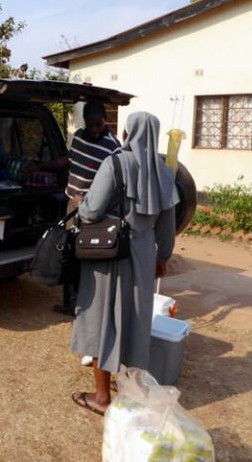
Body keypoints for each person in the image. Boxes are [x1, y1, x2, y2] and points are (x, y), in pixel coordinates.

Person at [70, 111, 179, 416]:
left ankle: (103, 398)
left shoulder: (115, 162)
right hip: (143, 255)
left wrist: (81, 203)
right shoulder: (164, 172)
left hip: (109, 253)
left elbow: (91, 212)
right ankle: (128, 390)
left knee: (102, 321)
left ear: (128, 134)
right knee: (134, 322)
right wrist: (162, 258)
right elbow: (167, 226)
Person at [34, 99, 121, 315]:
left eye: (97, 125)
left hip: (92, 213)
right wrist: (40, 166)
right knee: (68, 254)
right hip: (70, 209)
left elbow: (114, 184)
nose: (93, 130)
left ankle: (86, 303)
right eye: (90, 124)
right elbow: (67, 161)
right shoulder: (80, 137)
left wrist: (88, 200)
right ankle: (70, 301)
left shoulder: (113, 146)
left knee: (87, 256)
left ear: (105, 120)